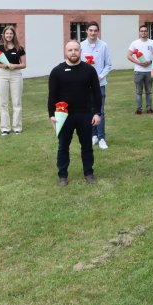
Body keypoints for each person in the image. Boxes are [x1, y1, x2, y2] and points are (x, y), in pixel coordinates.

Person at [48, 40, 102, 187]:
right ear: (65, 52)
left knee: (87, 146)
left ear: (80, 51)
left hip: (85, 114)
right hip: (64, 116)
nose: (73, 52)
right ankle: (62, 176)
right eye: (70, 50)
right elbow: (52, 95)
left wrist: (97, 113)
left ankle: (89, 173)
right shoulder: (57, 71)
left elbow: (97, 94)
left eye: (76, 50)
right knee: (63, 146)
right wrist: (51, 115)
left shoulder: (89, 70)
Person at [81, 21, 112, 149]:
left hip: (100, 84)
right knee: (89, 110)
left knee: (100, 111)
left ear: (98, 32)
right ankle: (93, 135)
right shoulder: (81, 46)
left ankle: (101, 138)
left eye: (95, 30)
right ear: (87, 31)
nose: (93, 33)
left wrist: (99, 77)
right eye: (90, 30)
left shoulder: (103, 46)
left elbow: (108, 65)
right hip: (85, 85)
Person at [0, 26, 26, 136]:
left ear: (14, 35)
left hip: (16, 75)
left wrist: (14, 66)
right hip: (2, 75)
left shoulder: (19, 48)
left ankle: (17, 127)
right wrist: (4, 65)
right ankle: (5, 128)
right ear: (3, 35)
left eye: (11, 33)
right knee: (3, 103)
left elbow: (24, 64)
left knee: (17, 102)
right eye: (7, 33)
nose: (9, 35)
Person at [127, 24, 153, 115]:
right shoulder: (135, 43)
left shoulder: (152, 43)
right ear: (139, 32)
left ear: (147, 32)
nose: (143, 32)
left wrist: (151, 61)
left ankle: (149, 109)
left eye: (145, 31)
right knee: (138, 92)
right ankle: (139, 109)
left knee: (149, 91)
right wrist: (138, 62)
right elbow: (128, 55)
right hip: (138, 71)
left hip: (149, 71)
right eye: (142, 31)